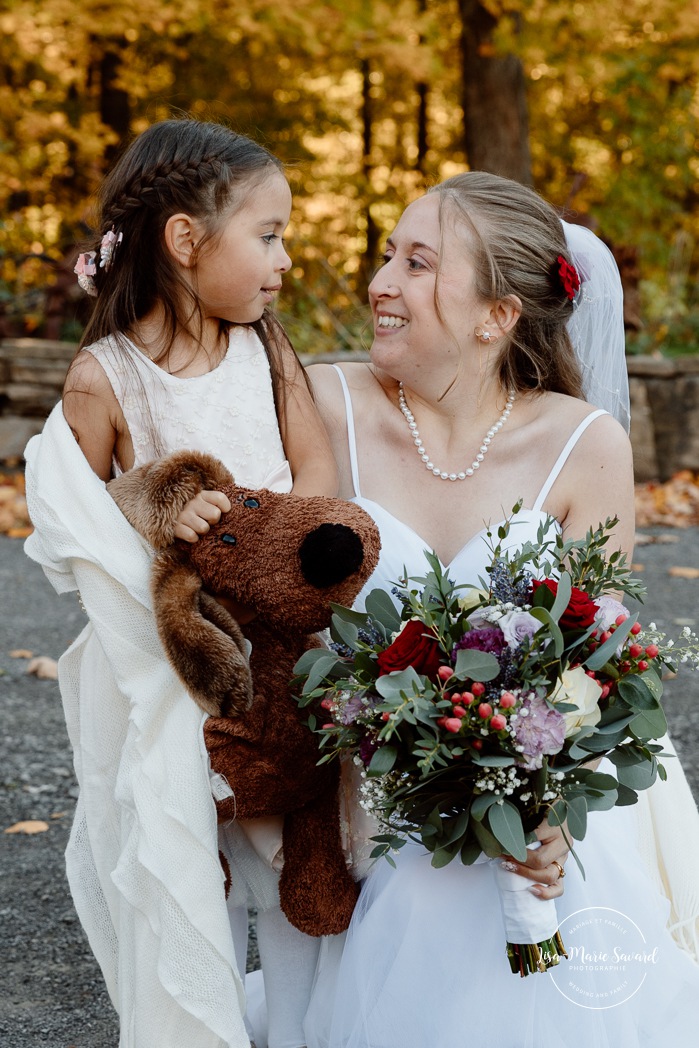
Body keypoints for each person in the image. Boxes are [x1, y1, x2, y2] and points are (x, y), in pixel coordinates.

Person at [295, 172, 699, 1047]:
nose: (379, 282)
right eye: (387, 255)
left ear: (496, 315)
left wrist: (546, 807)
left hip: (547, 792)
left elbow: (603, 665)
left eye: (417, 262)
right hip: (379, 794)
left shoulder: (583, 445)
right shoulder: (323, 408)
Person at [24, 117, 338, 1048]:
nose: (286, 257)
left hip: (283, 649)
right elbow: (73, 517)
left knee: (290, 849)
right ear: (186, 239)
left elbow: (315, 475)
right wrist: (159, 512)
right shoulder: (105, 377)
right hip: (178, 664)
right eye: (269, 234)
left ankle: (301, 1023)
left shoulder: (268, 349)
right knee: (191, 862)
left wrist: (273, 559)